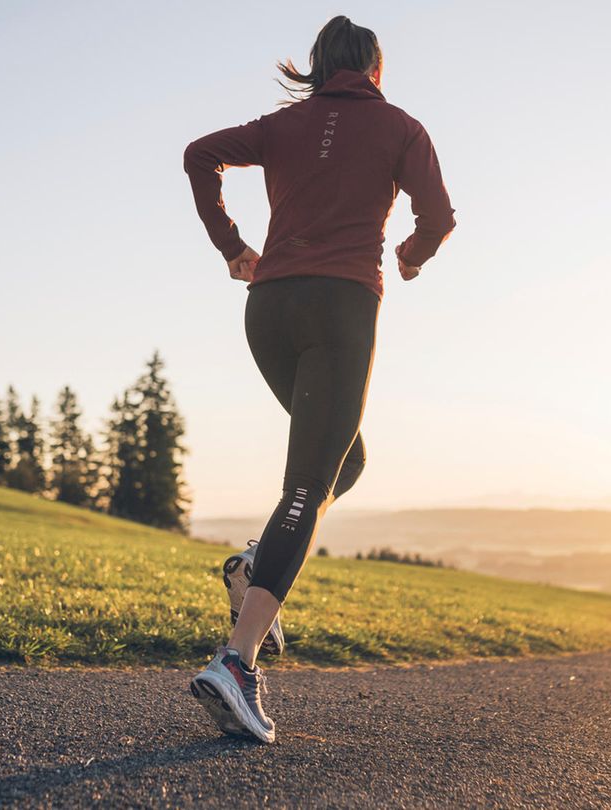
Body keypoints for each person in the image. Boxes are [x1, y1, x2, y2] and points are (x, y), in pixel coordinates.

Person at [181, 14, 456, 743]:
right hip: (338, 311)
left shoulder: (281, 127)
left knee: (345, 460)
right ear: (374, 66)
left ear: (317, 64)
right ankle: (236, 663)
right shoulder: (401, 127)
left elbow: (198, 154)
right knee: (309, 483)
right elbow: (439, 216)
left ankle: (251, 564)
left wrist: (231, 247)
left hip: (267, 310)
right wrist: (412, 255)